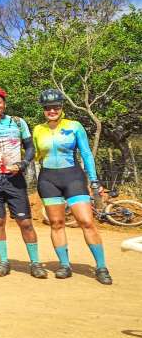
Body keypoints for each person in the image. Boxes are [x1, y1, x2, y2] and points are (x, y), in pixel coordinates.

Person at [32, 89, 111, 284]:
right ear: (43, 110)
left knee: (86, 221)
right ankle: (64, 265)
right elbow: (33, 156)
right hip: (48, 179)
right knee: (56, 224)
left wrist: (94, 180)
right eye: (48, 108)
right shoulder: (37, 129)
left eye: (56, 106)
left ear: (62, 107)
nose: (52, 110)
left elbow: (86, 154)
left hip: (73, 177)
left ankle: (101, 267)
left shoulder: (75, 126)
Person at [0, 87, 43, 278]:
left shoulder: (18, 123)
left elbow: (30, 148)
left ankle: (35, 263)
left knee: (25, 222)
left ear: (4, 103)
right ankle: (3, 262)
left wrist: (23, 163)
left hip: (14, 178)